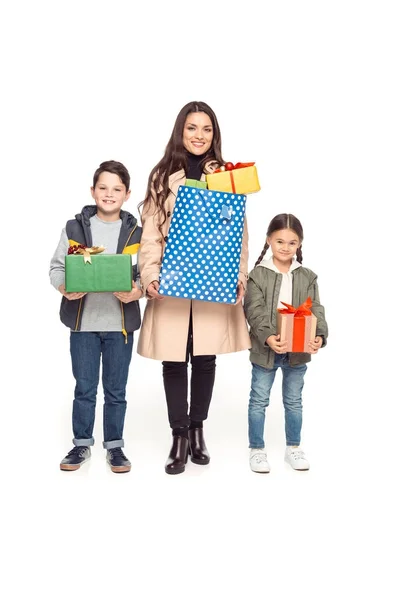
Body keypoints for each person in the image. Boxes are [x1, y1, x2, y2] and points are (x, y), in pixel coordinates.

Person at [137, 101, 251, 475]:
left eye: (206, 129)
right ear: (180, 131)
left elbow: (240, 232)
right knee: (174, 358)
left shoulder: (228, 175)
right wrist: (150, 273)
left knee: (204, 357)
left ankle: (198, 428)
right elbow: (151, 231)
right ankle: (179, 434)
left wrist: (239, 275)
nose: (199, 136)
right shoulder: (162, 175)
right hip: (172, 277)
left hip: (214, 277)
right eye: (192, 128)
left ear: (214, 134)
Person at [49, 160, 143, 473]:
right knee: (85, 388)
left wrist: (138, 291)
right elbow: (57, 267)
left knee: (117, 391)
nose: (108, 194)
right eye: (102, 187)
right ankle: (81, 444)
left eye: (116, 188)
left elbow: (146, 272)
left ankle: (115, 448)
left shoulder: (136, 232)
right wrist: (63, 287)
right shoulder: (74, 228)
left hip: (120, 327)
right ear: (92, 191)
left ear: (127, 194)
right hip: (83, 325)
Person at [243, 213, 328, 473]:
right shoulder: (258, 275)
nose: (285, 247)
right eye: (279, 241)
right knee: (259, 400)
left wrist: (319, 336)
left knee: (293, 401)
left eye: (292, 243)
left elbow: (317, 309)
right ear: (269, 240)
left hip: (297, 352)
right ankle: (257, 450)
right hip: (265, 351)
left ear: (299, 244)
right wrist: (269, 336)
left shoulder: (307, 276)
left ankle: (293, 447)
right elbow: (253, 310)